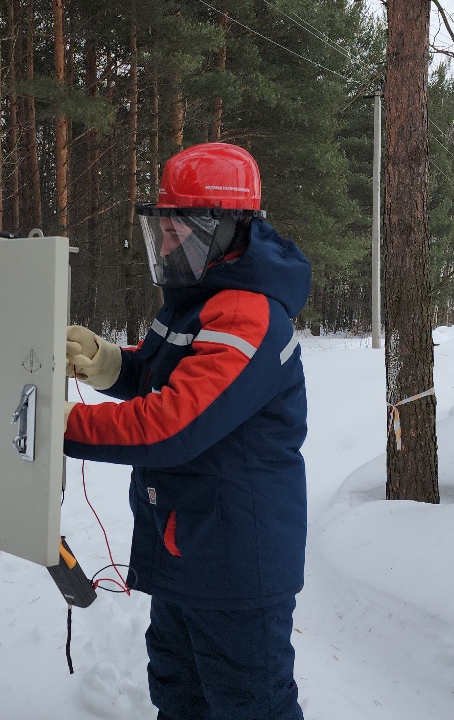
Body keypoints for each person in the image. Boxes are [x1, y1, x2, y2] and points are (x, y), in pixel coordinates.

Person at [63, 142, 311, 720]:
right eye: (164, 227)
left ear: (229, 229)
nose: (169, 241)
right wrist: (110, 364)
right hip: (187, 545)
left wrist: (57, 427)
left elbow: (172, 424)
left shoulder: (248, 315)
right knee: (178, 694)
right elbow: (160, 376)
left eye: (184, 228)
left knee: (250, 706)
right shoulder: (194, 303)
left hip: (235, 564)